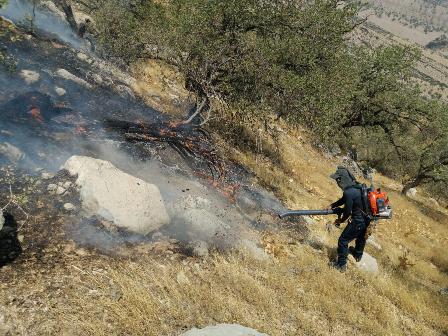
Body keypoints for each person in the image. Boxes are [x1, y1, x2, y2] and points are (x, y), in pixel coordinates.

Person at [328, 166, 370, 271]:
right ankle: (357, 254)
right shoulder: (358, 186)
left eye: (338, 180)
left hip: (357, 222)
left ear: (342, 180)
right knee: (361, 237)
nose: (338, 183)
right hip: (368, 219)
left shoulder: (349, 192)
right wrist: (333, 205)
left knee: (343, 241)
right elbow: (344, 200)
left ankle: (341, 265)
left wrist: (340, 220)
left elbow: (347, 212)